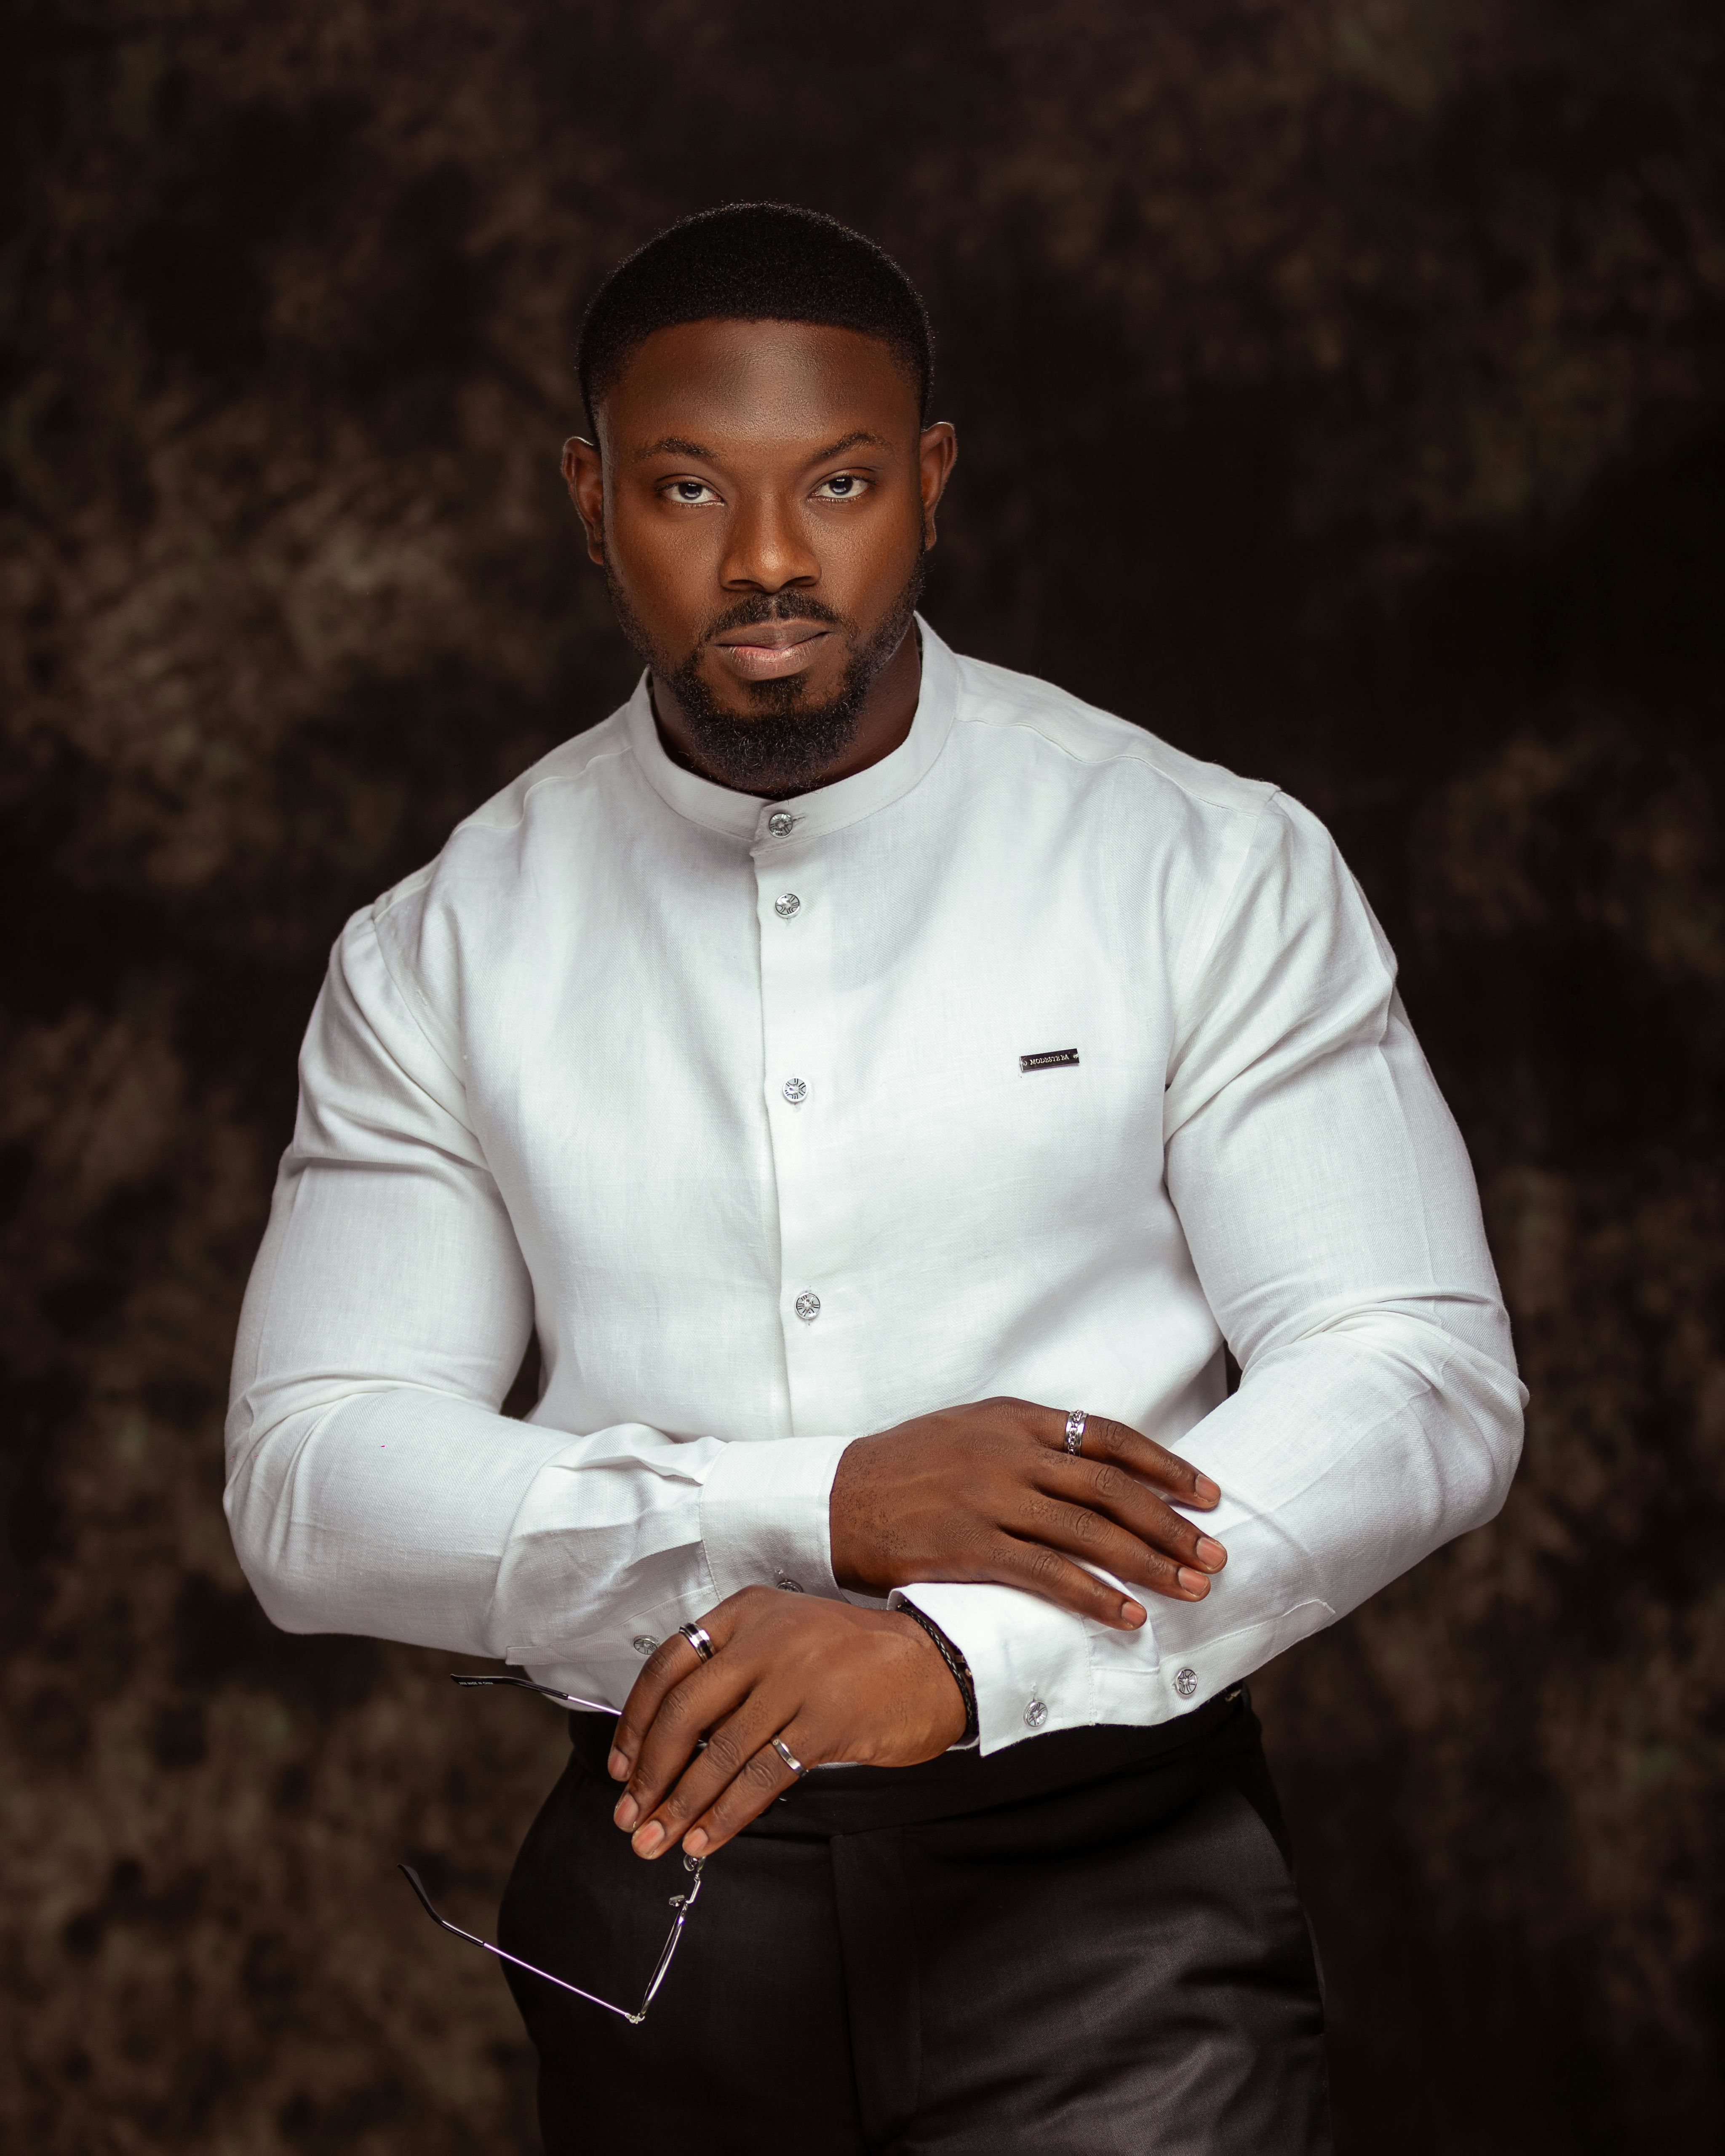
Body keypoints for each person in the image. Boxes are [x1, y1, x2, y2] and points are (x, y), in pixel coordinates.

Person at [225, 203, 1525, 2153]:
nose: (765, 557)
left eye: (834, 481)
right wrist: (815, 1504)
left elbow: (1415, 1371)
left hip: (1112, 1894)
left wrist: (947, 1649)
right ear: (589, 501)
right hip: (661, 1899)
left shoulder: (1202, 863)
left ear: (927, 482)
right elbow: (309, 1476)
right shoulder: (443, 945)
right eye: (686, 487)